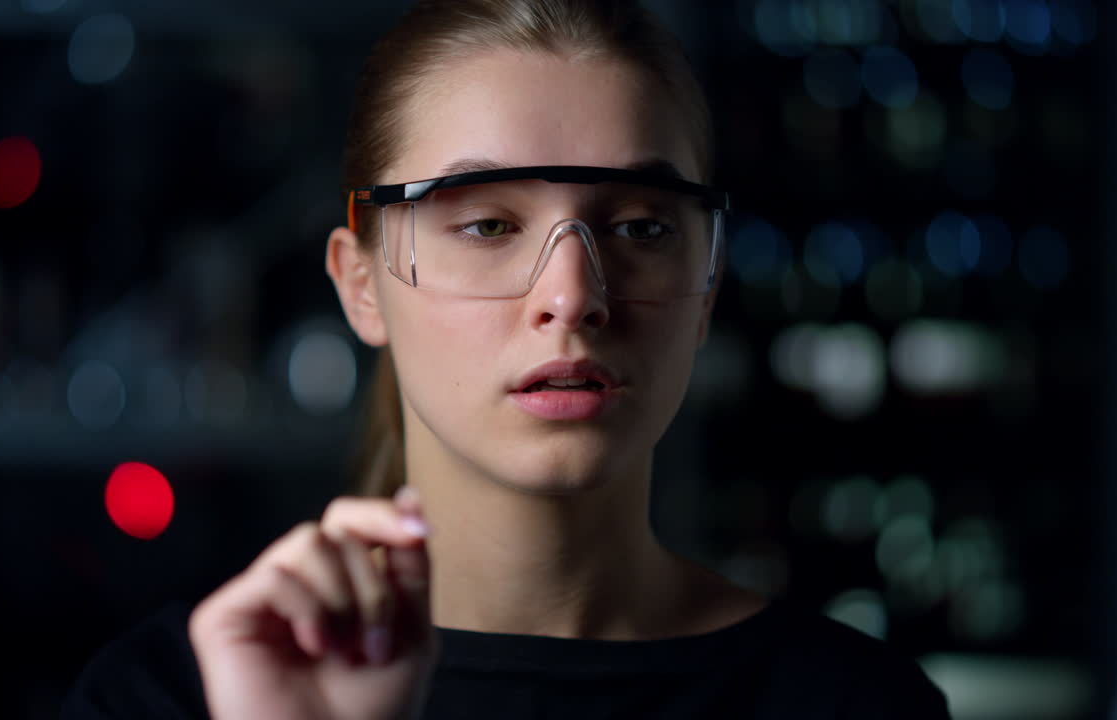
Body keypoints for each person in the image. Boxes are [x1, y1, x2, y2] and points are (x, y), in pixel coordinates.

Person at [62, 0, 951, 717]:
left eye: (640, 226)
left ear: (708, 286)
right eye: (487, 224)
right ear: (360, 285)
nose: (572, 294)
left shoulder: (856, 705)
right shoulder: (180, 695)